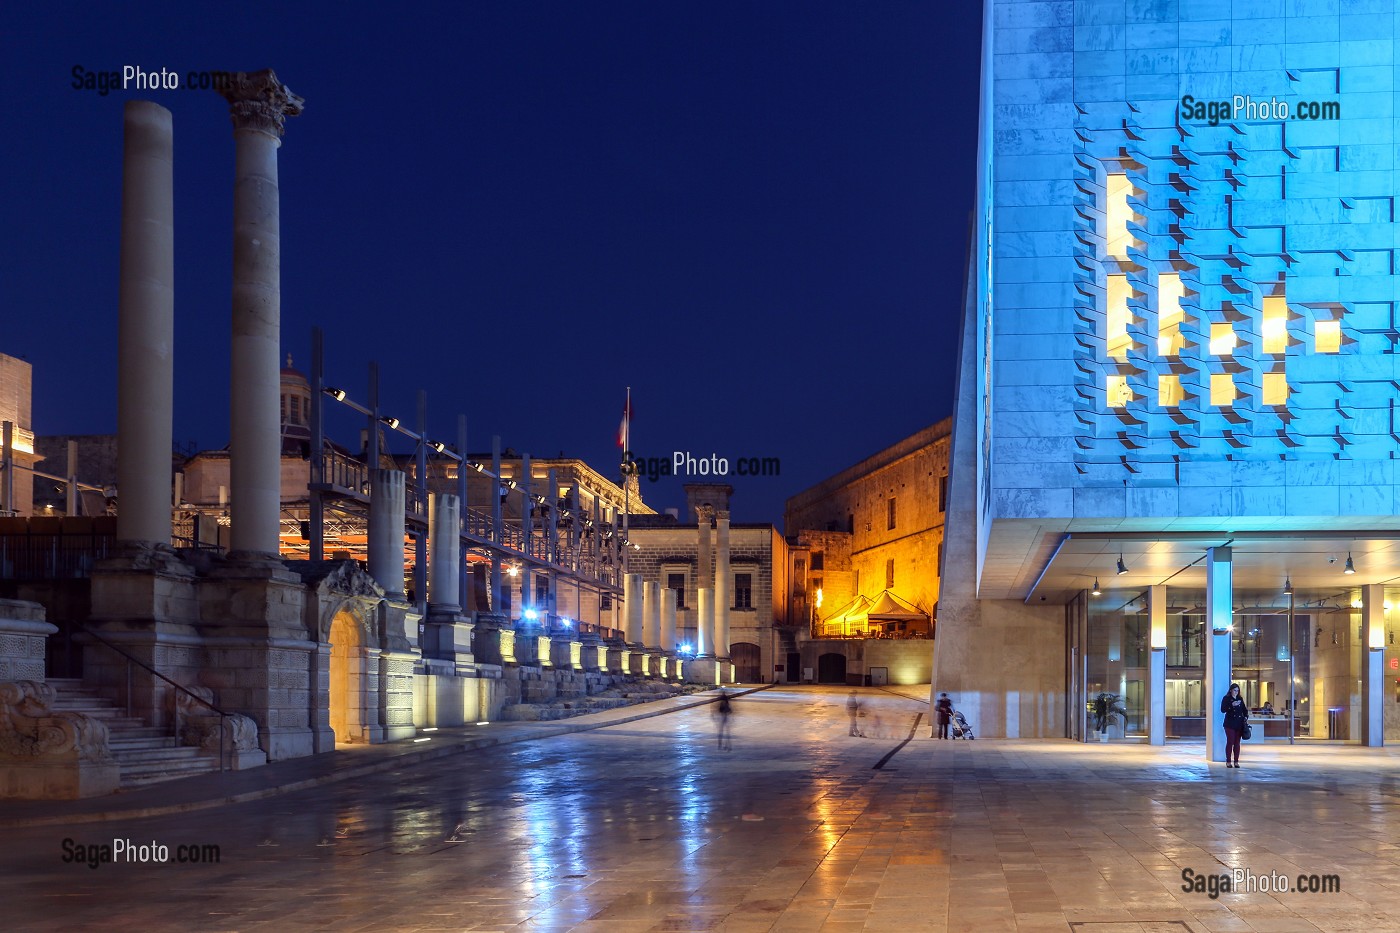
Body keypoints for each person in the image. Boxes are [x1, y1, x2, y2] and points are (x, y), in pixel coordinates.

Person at [1220, 683, 1248, 768]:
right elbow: (1223, 710)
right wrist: (1232, 705)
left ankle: (1236, 761)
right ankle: (1228, 761)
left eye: (1237, 690)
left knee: (1237, 743)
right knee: (1230, 741)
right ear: (1231, 690)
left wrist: (1246, 716)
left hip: (1239, 723)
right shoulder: (1226, 698)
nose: (1236, 692)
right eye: (1234, 690)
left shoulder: (1240, 698)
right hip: (1230, 723)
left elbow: (1244, 709)